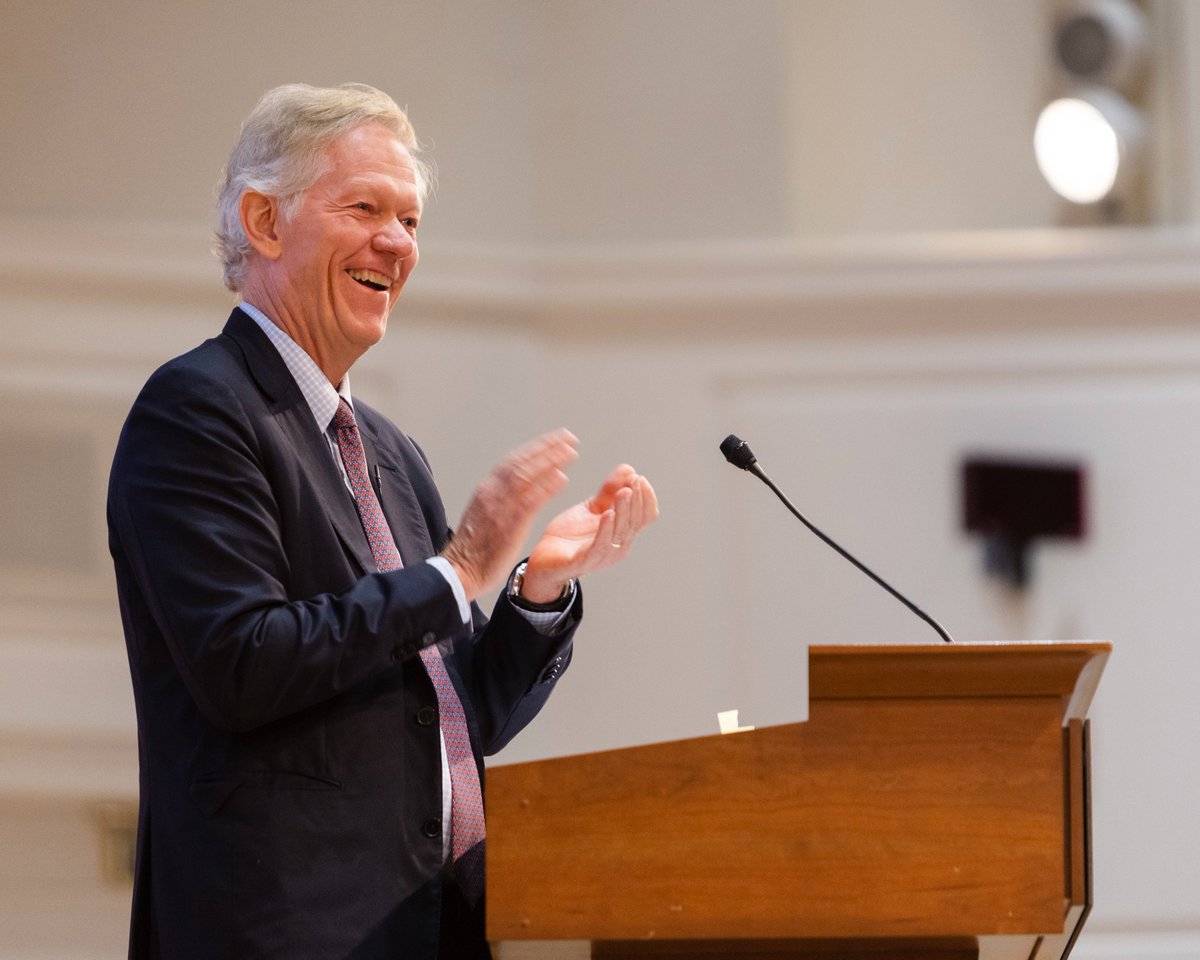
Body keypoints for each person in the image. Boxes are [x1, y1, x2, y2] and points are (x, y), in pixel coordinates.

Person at [107, 82, 657, 960]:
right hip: (284, 935)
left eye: (410, 221)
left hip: (432, 930)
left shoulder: (391, 454)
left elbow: (453, 714)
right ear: (264, 222)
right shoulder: (198, 409)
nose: (398, 244)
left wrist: (535, 591)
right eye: (365, 209)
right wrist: (458, 569)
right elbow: (244, 663)